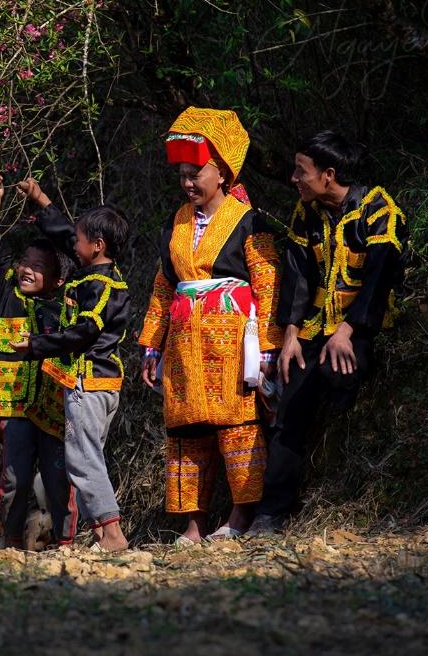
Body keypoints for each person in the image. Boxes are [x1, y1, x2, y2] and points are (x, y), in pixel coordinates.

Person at [248, 130, 408, 535]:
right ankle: (270, 513)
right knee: (288, 405)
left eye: (301, 171)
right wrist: (288, 337)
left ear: (328, 175)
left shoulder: (378, 208)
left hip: (358, 326)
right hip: (315, 328)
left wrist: (348, 332)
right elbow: (298, 278)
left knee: (336, 371)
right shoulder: (306, 214)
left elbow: (380, 275)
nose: (294, 179)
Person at [137, 107, 284, 544]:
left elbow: (268, 282)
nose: (186, 183)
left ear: (221, 173)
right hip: (183, 344)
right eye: (181, 174)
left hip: (233, 342)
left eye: (194, 173)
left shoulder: (250, 222)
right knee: (186, 432)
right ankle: (194, 523)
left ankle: (240, 516)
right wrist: (151, 345)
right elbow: (164, 287)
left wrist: (271, 347)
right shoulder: (175, 225)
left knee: (237, 425)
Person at [11, 179, 132, 552]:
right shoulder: (103, 274)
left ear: (97, 247)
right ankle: (99, 534)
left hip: (89, 381)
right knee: (87, 455)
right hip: (101, 383)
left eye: (79, 241)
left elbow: (84, 331)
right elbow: (65, 234)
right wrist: (41, 199)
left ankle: (112, 535)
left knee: (82, 459)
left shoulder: (98, 284)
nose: (72, 245)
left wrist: (36, 344)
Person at [0, 180, 77, 547]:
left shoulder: (65, 300)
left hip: (54, 405)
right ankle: (10, 542)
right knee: (14, 478)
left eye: (38, 266)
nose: (27, 270)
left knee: (59, 475)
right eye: (24, 263)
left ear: (57, 279)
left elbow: (73, 246)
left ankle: (66, 543)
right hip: (12, 406)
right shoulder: (6, 294)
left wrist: (42, 199)